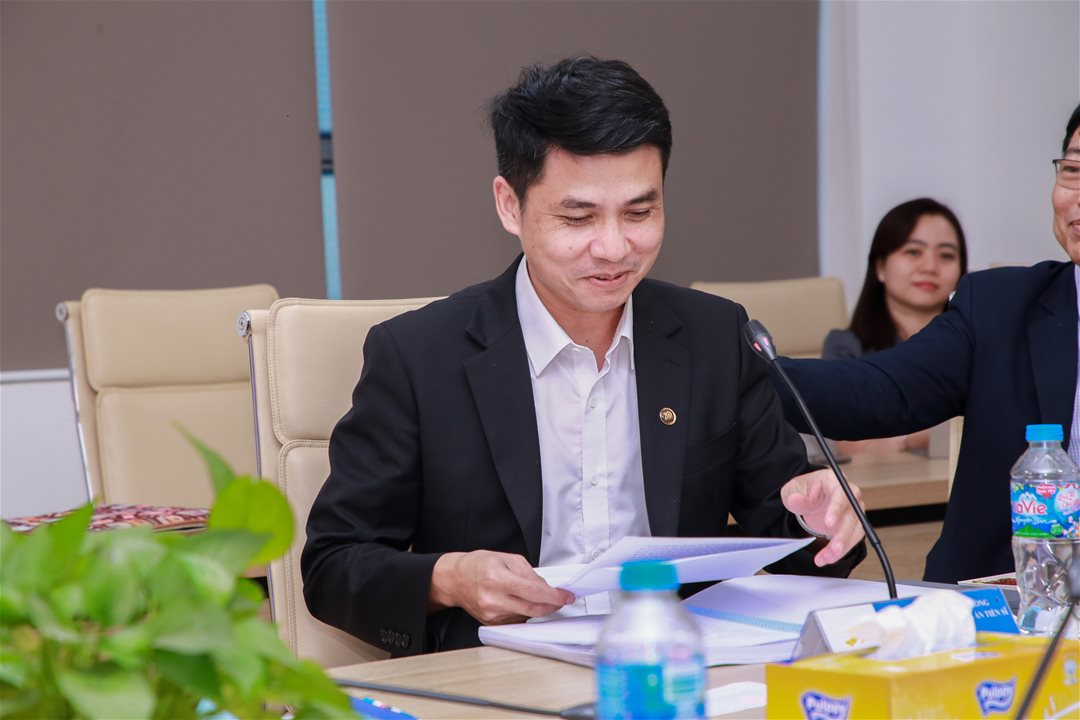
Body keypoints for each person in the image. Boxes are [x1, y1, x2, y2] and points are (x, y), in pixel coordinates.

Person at [302, 57, 866, 657]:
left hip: (676, 664)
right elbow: (333, 566)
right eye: (578, 217)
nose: (615, 248)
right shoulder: (419, 356)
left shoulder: (714, 337)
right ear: (509, 205)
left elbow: (791, 537)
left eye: (640, 212)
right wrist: (448, 579)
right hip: (498, 670)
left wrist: (822, 519)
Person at [777, 102, 1080, 585]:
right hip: (1002, 605)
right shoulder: (1001, 307)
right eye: (1073, 170)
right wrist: (733, 364)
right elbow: (881, 390)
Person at [823, 198, 968, 455]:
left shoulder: (976, 343)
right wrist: (924, 436)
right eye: (913, 252)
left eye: (946, 255)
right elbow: (852, 447)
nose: (930, 267)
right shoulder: (847, 347)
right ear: (880, 267)